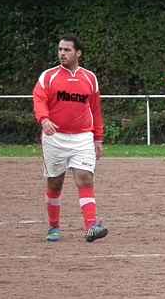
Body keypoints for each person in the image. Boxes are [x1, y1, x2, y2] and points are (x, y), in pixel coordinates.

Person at [32, 34, 108, 242]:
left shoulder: (90, 78)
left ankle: (91, 226)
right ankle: (54, 227)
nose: (62, 53)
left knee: (85, 177)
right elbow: (39, 100)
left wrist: (98, 138)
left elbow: (96, 110)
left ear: (78, 53)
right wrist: (44, 119)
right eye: (60, 50)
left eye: (67, 50)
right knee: (55, 183)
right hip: (55, 138)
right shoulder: (48, 76)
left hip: (83, 137)